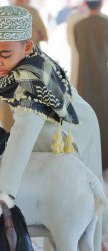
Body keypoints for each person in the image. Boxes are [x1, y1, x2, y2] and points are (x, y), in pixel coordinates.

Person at [0, 5, 106, 251]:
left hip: (71, 133)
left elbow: (23, 133)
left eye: (4, 55)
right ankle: (99, 248)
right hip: (64, 124)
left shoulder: (31, 78)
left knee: (63, 200)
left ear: (27, 46)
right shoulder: (21, 63)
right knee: (65, 197)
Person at [73, 0, 108, 171]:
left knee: (85, 119)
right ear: (101, 3)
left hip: (84, 78)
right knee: (105, 118)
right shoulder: (106, 24)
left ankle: (88, 162)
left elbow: (79, 49)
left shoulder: (78, 26)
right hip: (103, 78)